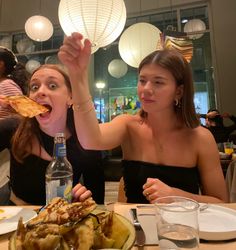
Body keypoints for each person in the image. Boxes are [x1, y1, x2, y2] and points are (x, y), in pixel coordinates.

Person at [58, 32, 228, 204]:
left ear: (179, 91)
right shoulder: (128, 125)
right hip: (134, 229)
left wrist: (176, 196)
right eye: (142, 80)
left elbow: (221, 202)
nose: (146, 89)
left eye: (158, 82)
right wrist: (77, 75)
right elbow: (90, 140)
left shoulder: (200, 138)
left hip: (182, 229)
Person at [0, 64, 105, 205]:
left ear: (70, 97)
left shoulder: (86, 140)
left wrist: (83, 201)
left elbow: (97, 202)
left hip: (63, 218)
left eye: (52, 86)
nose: (40, 92)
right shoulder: (13, 128)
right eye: (34, 87)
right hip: (19, 217)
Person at [0, 47, 30, 205]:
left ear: (1, 64)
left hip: (5, 151)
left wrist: (9, 104)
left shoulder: (6, 85)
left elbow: (27, 113)